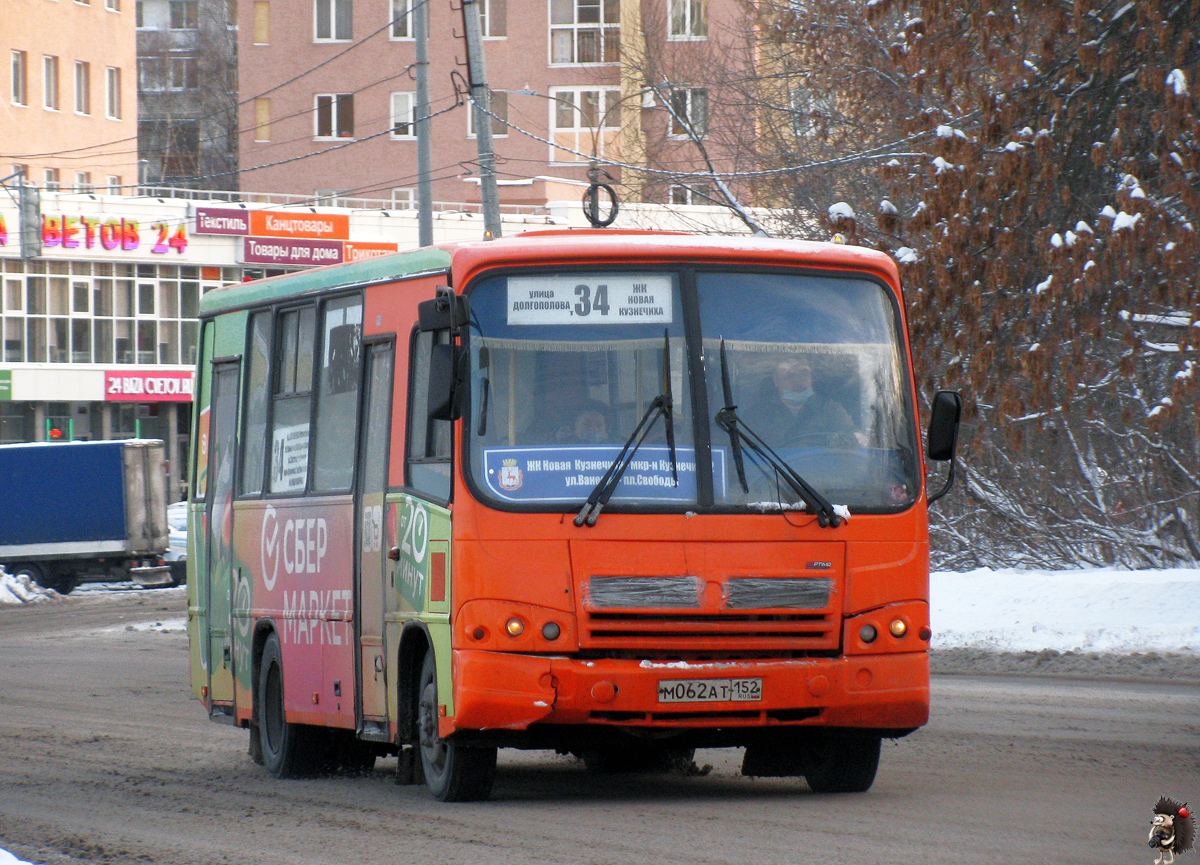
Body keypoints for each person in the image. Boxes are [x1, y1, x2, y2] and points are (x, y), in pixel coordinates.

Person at [751, 356, 856, 446]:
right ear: (776, 381)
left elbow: (856, 438)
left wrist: (850, 439)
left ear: (811, 378)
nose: (797, 381)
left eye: (803, 374)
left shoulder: (830, 409)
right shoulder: (757, 415)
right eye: (790, 376)